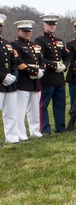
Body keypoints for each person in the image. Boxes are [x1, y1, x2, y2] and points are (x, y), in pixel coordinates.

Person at [35, 14, 69, 134]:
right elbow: (41, 58)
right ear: (44, 25)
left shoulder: (59, 41)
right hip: (47, 79)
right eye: (50, 24)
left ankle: (60, 127)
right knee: (44, 105)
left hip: (60, 79)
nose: (52, 26)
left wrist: (65, 65)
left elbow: (67, 56)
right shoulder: (40, 40)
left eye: (54, 24)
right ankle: (45, 128)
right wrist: (54, 66)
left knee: (60, 104)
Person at [12, 20, 44, 139]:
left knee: (35, 108)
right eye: (25, 31)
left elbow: (41, 60)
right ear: (18, 31)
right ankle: (20, 134)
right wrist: (34, 72)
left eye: (29, 31)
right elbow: (19, 62)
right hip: (23, 81)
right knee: (20, 110)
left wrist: (41, 70)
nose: (27, 33)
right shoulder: (15, 45)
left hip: (36, 81)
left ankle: (35, 131)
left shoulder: (35, 45)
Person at [0, 14, 19, 144]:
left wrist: (13, 76)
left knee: (11, 112)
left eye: (0, 26)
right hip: (1, 81)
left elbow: (14, 62)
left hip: (10, 83)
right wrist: (3, 77)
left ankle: (12, 137)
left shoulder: (7, 44)